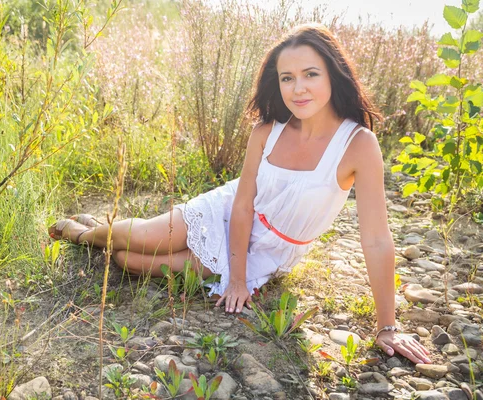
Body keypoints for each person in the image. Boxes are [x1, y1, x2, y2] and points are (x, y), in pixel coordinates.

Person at [48, 23, 431, 364]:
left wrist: (387, 326)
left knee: (127, 259)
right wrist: (235, 280)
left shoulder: (358, 144)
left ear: (333, 74)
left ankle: (103, 232)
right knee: (145, 236)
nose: (297, 89)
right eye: (286, 78)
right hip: (228, 214)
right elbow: (244, 203)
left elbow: (378, 240)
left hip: (271, 248)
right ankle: (83, 234)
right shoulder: (268, 131)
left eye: (310, 74)